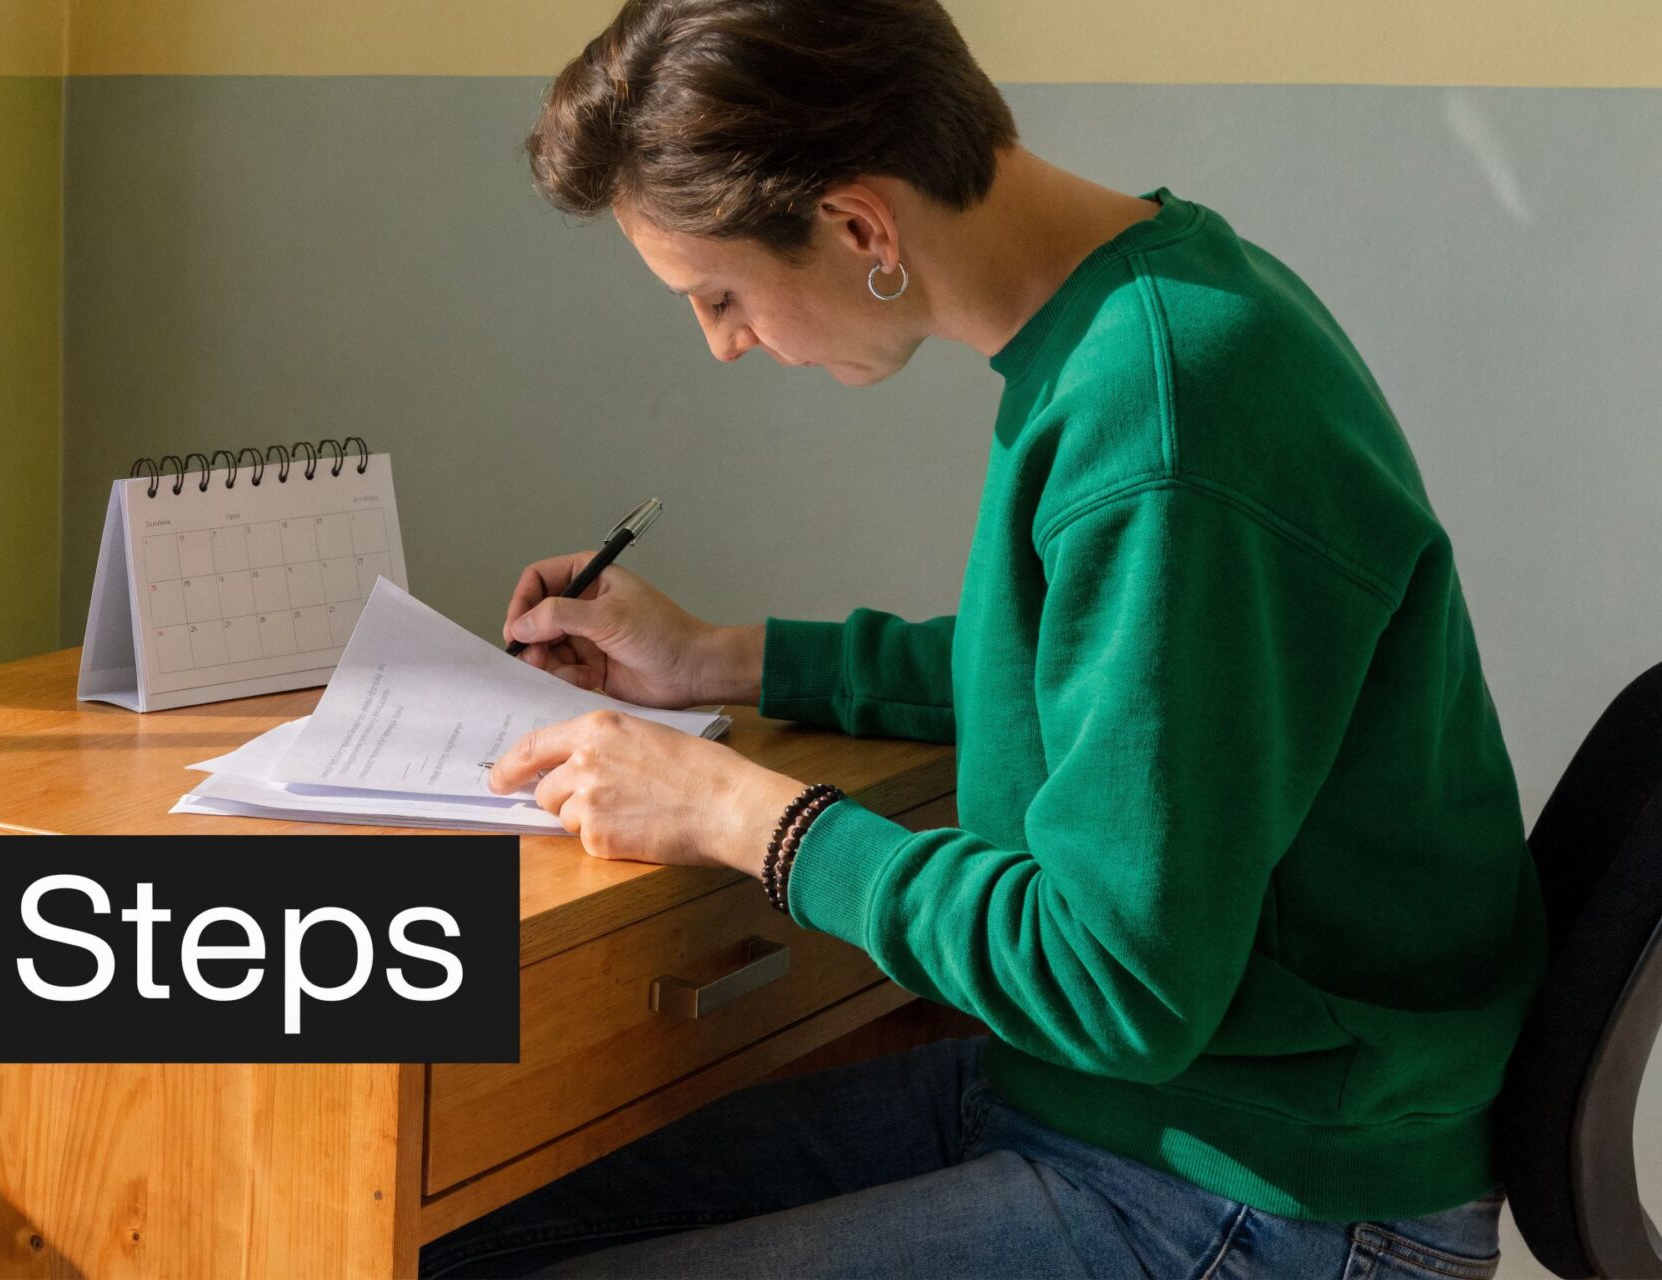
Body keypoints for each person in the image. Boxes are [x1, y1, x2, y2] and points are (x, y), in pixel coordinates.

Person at [421, 0, 1547, 1275]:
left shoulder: (1166, 417)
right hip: (1125, 1116)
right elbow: (1105, 677)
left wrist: (749, 818)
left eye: (720, 293)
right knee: (453, 1235)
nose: (722, 343)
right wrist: (722, 660)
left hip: (1273, 1194)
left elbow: (1113, 979)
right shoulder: (1144, 307)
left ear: (859, 226)